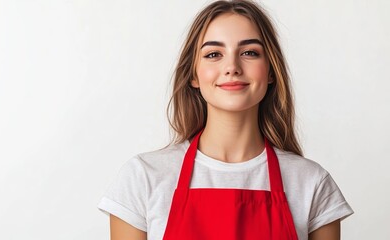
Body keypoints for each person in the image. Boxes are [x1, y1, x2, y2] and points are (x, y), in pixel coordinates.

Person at [98, 0, 354, 239]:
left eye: (250, 52)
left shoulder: (311, 183)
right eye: (213, 54)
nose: (232, 66)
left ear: (271, 72)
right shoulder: (143, 177)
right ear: (194, 76)